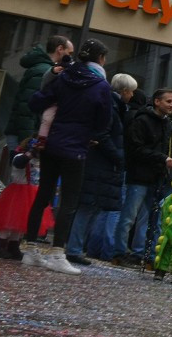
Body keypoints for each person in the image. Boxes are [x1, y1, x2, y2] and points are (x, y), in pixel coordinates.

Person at [21, 39, 113, 274]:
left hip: (52, 144)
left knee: (44, 194)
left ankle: (30, 248)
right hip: (76, 147)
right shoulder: (100, 86)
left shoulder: (64, 76)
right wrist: (90, 133)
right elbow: (104, 121)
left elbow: (36, 101)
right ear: (100, 59)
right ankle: (57, 252)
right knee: (69, 201)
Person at [64, 73, 136, 266]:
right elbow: (103, 135)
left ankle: (76, 247)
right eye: (131, 92)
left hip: (100, 164)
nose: (132, 96)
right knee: (88, 208)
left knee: (91, 208)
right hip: (101, 164)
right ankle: (74, 248)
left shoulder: (113, 106)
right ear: (124, 91)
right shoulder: (112, 108)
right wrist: (118, 156)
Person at [113, 88, 172, 267]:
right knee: (130, 216)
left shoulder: (167, 123)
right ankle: (120, 252)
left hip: (156, 176)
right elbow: (135, 149)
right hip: (140, 175)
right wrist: (162, 159)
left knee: (152, 218)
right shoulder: (142, 120)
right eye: (168, 101)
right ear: (157, 101)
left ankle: (142, 253)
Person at [2, 35, 73, 155]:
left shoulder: (42, 69)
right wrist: (28, 142)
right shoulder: (44, 72)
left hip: (21, 134)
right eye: (69, 53)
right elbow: (27, 109)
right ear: (60, 49)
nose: (70, 57)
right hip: (24, 137)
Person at [0, 139, 53, 259]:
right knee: (10, 221)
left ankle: (14, 246)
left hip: (31, 193)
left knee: (21, 222)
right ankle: (0, 246)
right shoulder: (20, 156)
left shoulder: (38, 160)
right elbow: (19, 163)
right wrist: (31, 152)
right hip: (18, 193)